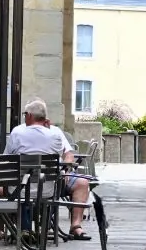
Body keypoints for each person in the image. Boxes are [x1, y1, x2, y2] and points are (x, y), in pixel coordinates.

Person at [5, 98, 93, 240]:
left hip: (21, 186)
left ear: (28, 115)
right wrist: (64, 168)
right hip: (51, 186)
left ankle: (75, 226)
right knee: (72, 183)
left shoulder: (16, 133)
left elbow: (7, 159)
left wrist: (66, 168)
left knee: (81, 183)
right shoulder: (55, 133)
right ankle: (42, 225)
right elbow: (64, 152)